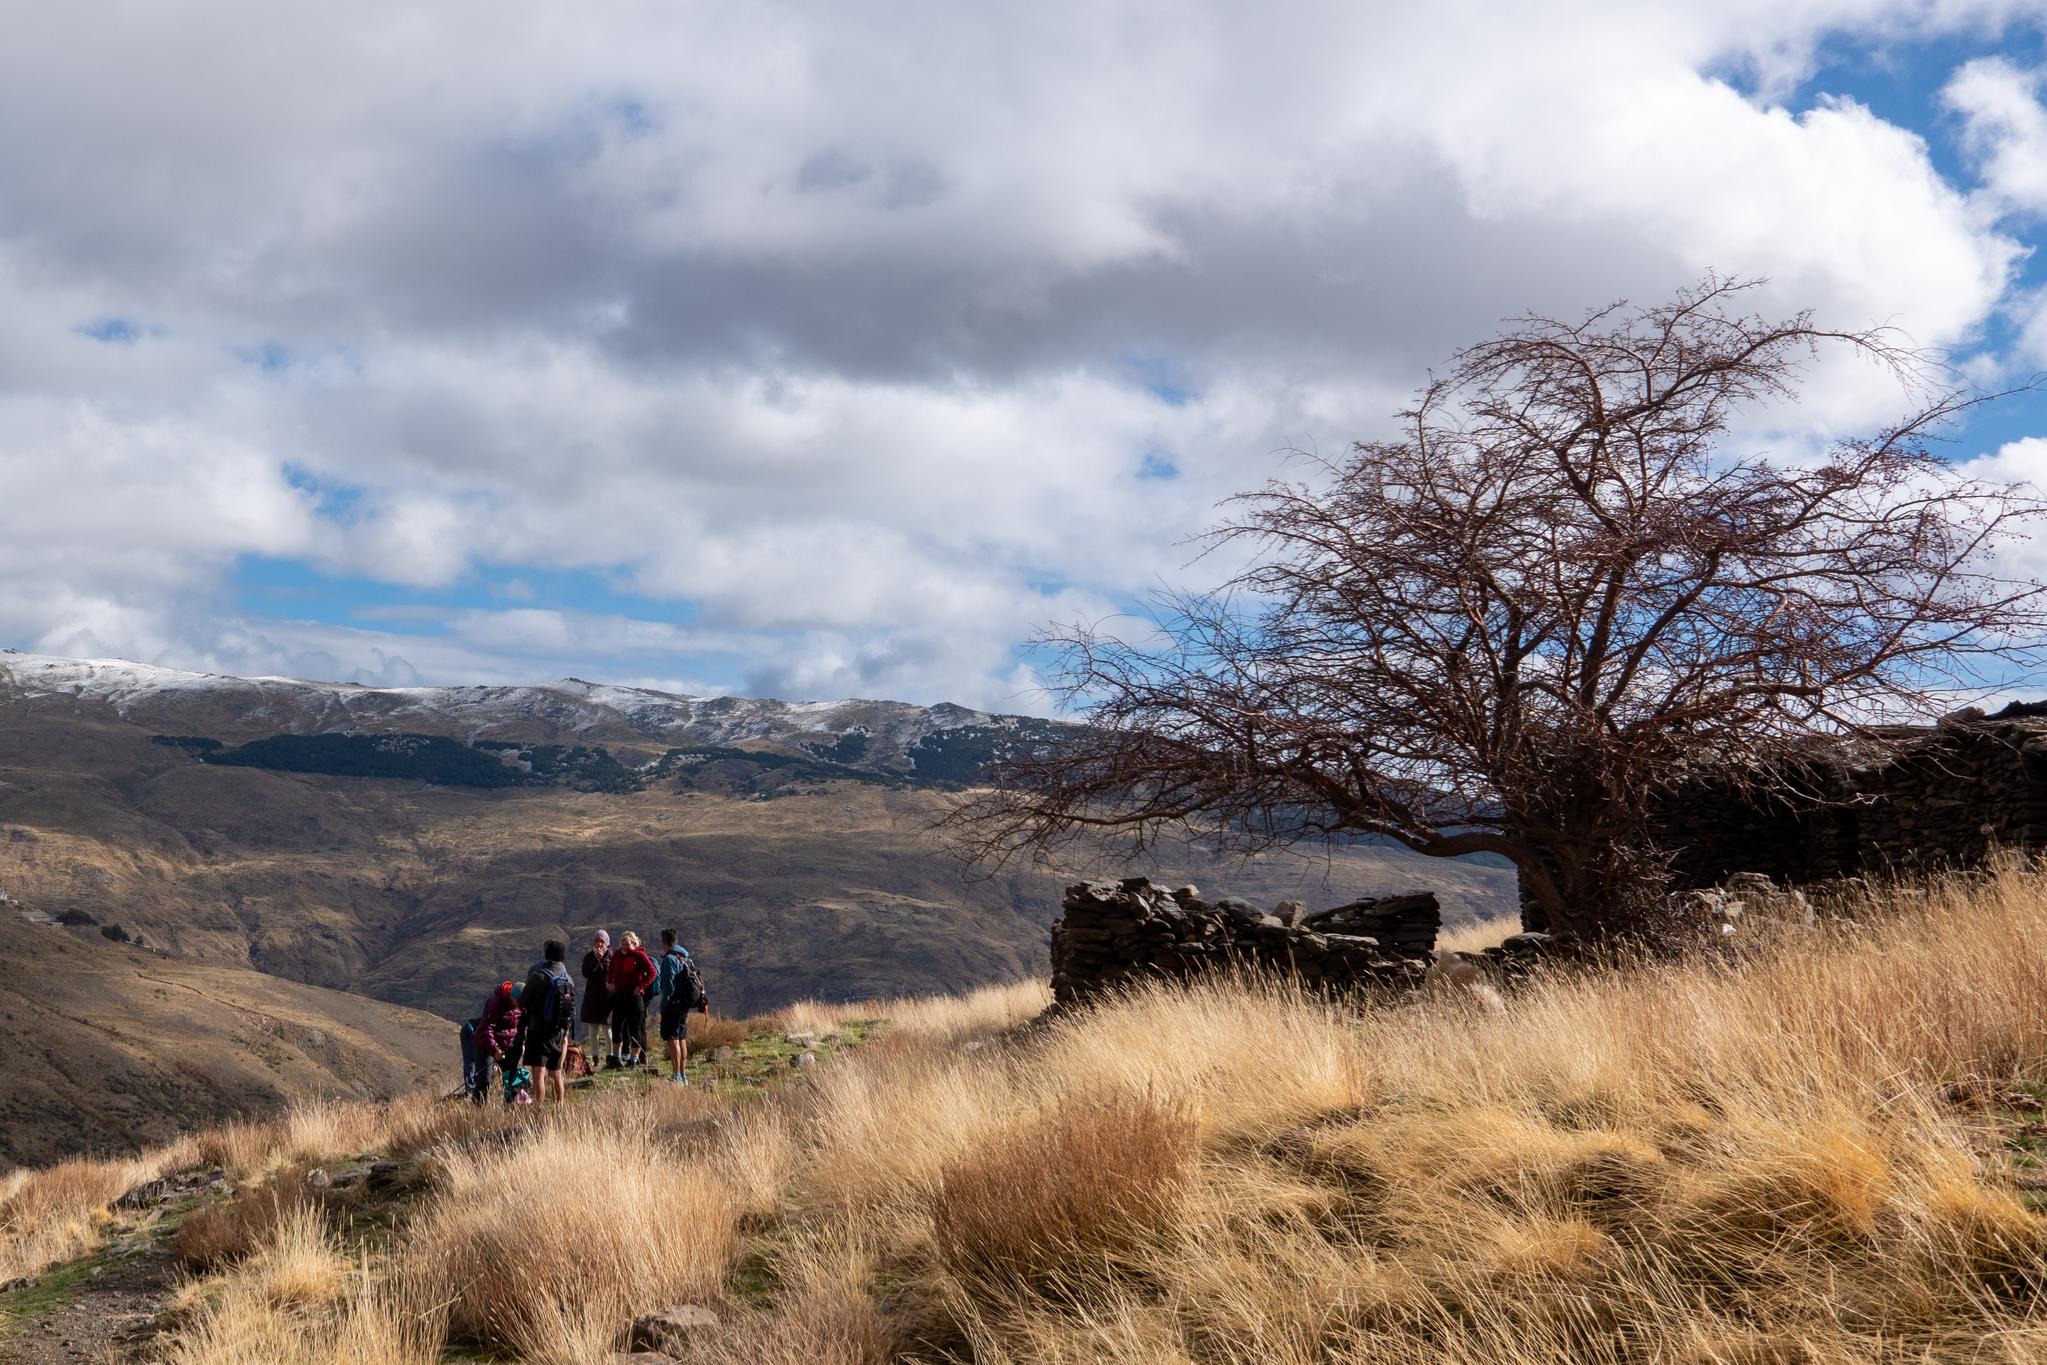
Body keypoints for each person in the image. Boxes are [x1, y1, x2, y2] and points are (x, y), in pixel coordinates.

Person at [515, 940, 577, 1104]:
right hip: (559, 1032)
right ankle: (560, 1108)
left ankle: (538, 1110)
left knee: (539, 1073)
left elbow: (521, 1002)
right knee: (556, 1073)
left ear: (547, 955)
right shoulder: (568, 979)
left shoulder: (538, 976)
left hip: (539, 1032)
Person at [655, 928, 709, 1085]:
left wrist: (665, 1004)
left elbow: (668, 986)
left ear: (665, 941)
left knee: (672, 1040)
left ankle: (676, 1075)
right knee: (681, 1038)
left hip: (673, 1006)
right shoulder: (684, 957)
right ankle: (683, 1075)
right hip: (684, 1005)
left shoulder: (669, 960)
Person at [606, 930, 656, 1068]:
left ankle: (633, 1059)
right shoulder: (616, 955)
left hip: (634, 996)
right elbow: (611, 970)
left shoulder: (639, 955)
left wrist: (641, 986)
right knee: (617, 1026)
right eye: (622, 943)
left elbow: (652, 972)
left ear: (634, 943)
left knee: (635, 1028)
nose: (624, 946)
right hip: (620, 995)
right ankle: (616, 1058)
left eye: (627, 943)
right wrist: (610, 982)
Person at [469, 981, 522, 1105]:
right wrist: (495, 1049)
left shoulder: (521, 1005)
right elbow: (486, 1029)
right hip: (486, 1045)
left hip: (508, 1046)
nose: (519, 1005)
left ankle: (509, 1108)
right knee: (485, 1080)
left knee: (511, 1079)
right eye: (518, 1002)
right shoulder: (495, 1003)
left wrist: (522, 1043)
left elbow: (522, 1026)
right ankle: (478, 1109)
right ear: (511, 997)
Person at [581, 930, 615, 1068]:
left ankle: (610, 1057)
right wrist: (596, 960)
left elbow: (611, 973)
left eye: (602, 941)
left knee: (607, 1030)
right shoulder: (589, 957)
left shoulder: (612, 957)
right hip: (592, 999)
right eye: (597, 941)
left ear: (607, 943)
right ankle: (596, 1058)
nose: (599, 944)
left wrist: (602, 960)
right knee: (593, 1031)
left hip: (607, 999)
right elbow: (586, 973)